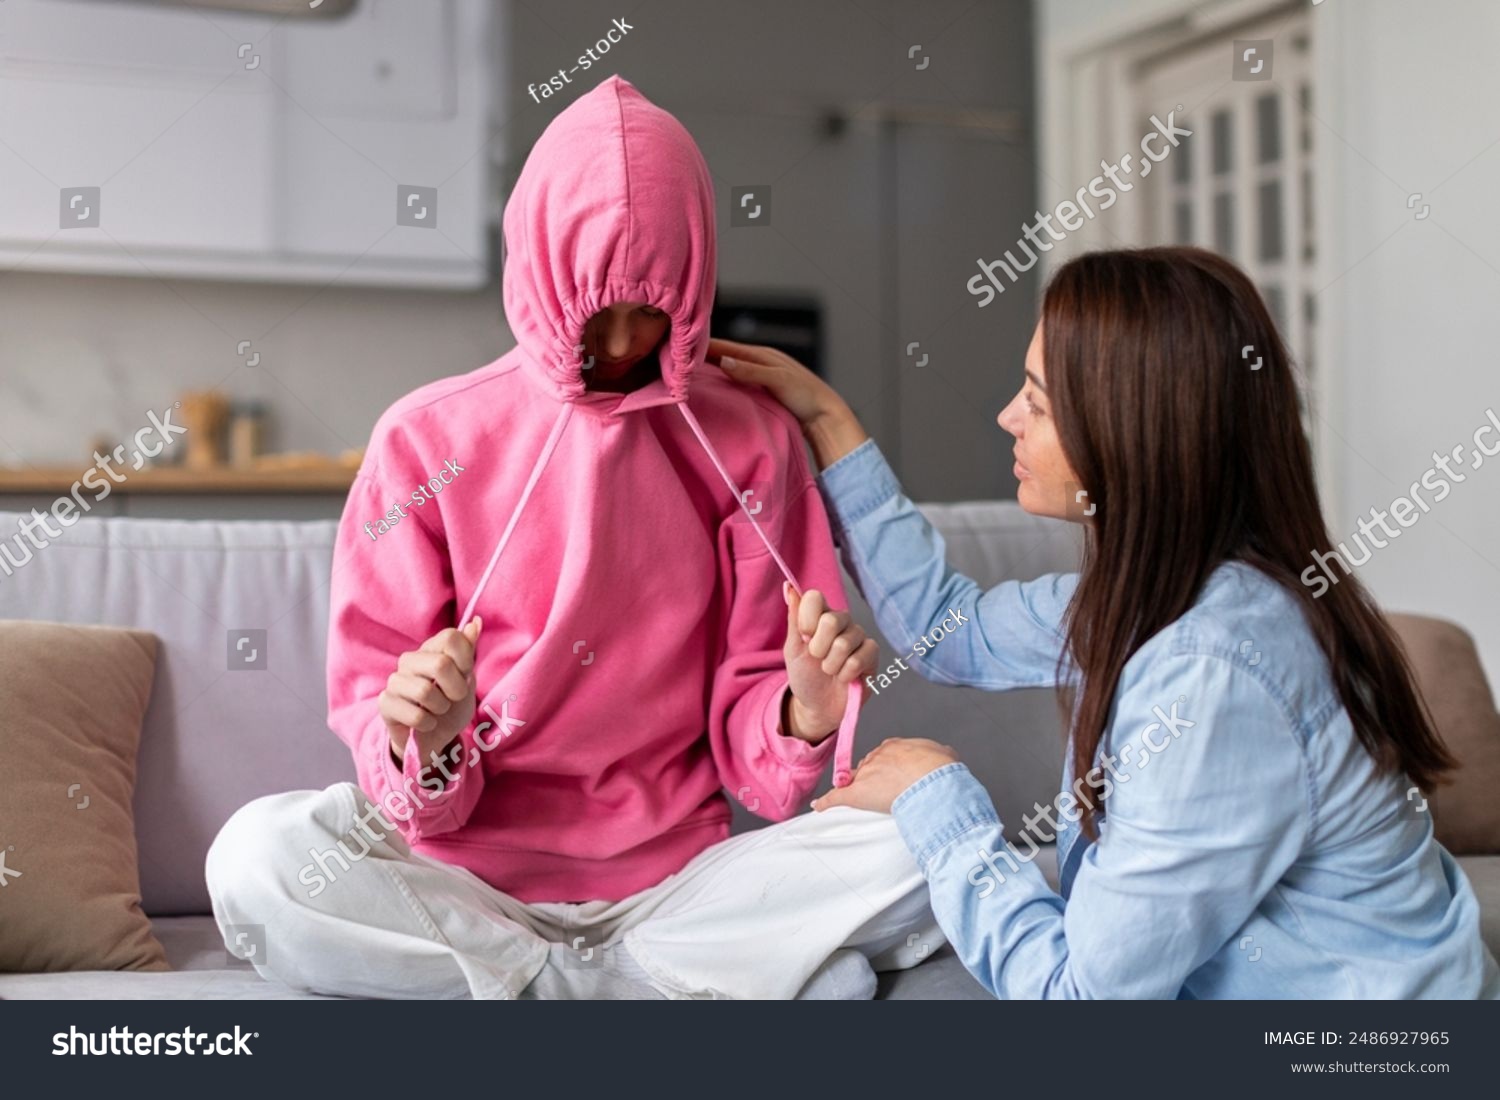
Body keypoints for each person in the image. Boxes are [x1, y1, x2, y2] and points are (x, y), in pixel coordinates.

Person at [205, 76, 941, 1000]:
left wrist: (803, 708)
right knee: (258, 856)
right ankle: (628, 986)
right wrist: (427, 739)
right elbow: (378, 714)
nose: (629, 340)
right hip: (463, 884)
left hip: (675, 885)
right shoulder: (423, 441)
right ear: (540, 269)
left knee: (928, 835)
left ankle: (557, 987)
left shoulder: (750, 439)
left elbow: (760, 766)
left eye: (655, 308)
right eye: (601, 308)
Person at [714, 245, 1500, 998]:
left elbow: (1082, 999)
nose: (1005, 417)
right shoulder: (1166, 593)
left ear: (1132, 435)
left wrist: (938, 797)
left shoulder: (1213, 670)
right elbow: (953, 632)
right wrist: (829, 422)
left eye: (1039, 402)